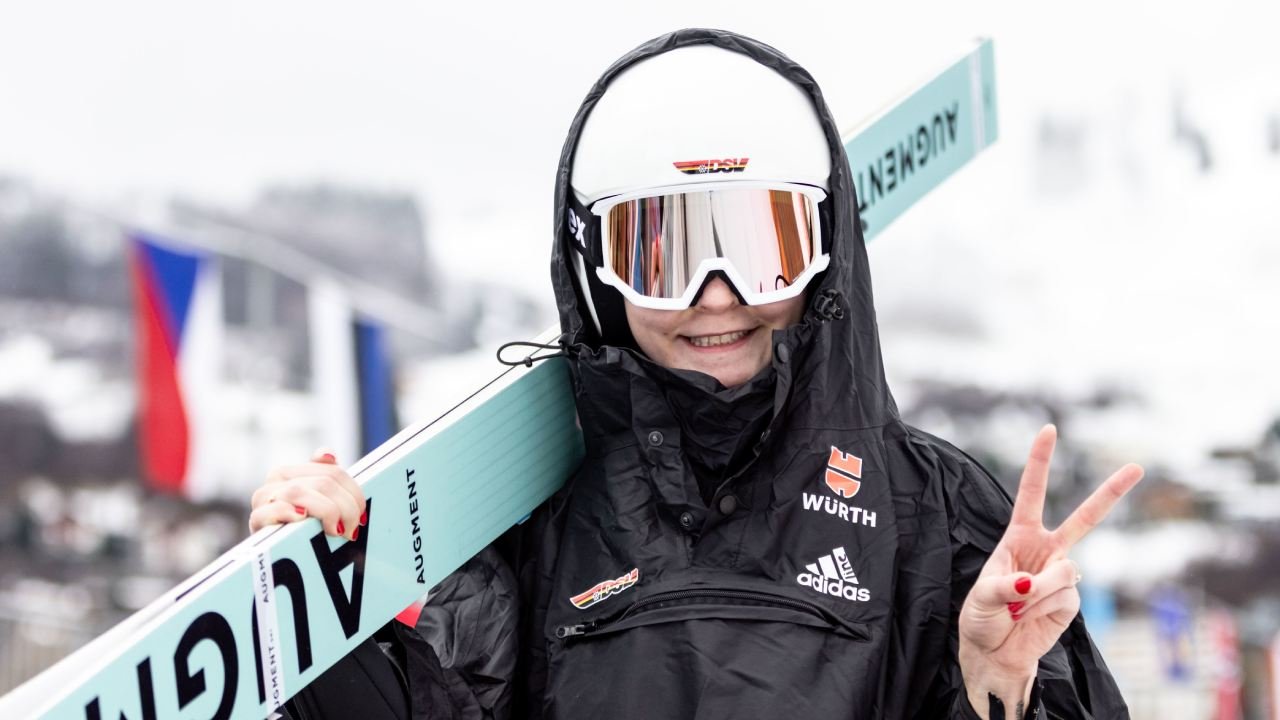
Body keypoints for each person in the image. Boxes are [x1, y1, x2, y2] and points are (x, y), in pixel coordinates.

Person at [249, 28, 1143, 719]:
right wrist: (325, 610)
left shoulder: (934, 510)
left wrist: (996, 685)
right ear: (597, 266)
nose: (715, 296)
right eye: (661, 252)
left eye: (761, 247)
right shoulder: (529, 520)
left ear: (825, 253)